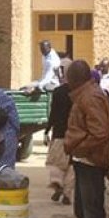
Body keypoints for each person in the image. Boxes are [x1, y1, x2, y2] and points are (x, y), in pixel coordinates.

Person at [64, 60, 109, 218]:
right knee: (83, 215)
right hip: (83, 162)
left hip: (91, 163)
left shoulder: (90, 96)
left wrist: (79, 148)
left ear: (74, 78)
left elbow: (100, 132)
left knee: (92, 217)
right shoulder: (84, 94)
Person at [44, 58, 74, 205]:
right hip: (75, 134)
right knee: (71, 165)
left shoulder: (58, 92)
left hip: (60, 133)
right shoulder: (78, 91)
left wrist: (47, 129)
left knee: (57, 164)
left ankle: (58, 185)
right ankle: (67, 192)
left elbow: (54, 113)